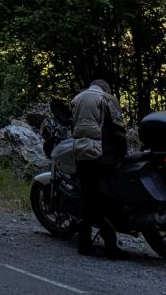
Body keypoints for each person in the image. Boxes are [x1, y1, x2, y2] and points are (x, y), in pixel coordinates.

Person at [71, 72, 127, 258]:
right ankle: (111, 246)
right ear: (106, 88)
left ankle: (84, 244)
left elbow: (74, 126)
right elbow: (118, 129)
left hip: (81, 154)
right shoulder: (107, 98)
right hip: (102, 156)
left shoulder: (77, 99)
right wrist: (122, 153)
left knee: (86, 199)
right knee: (105, 199)